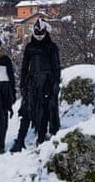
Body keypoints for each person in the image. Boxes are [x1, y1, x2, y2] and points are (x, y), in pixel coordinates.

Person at [10, 18, 61, 152]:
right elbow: (25, 66)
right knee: (27, 110)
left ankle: (41, 137)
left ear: (45, 32)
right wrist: (22, 84)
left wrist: (56, 83)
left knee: (44, 110)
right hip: (31, 84)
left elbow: (56, 67)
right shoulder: (29, 47)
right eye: (36, 32)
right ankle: (20, 140)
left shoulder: (52, 47)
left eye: (41, 32)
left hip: (47, 83)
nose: (38, 35)